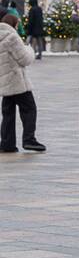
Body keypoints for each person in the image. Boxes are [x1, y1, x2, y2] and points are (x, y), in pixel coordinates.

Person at [0, 13, 44, 153]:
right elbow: (24, 59)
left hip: (4, 83)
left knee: (8, 113)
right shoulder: (12, 37)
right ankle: (29, 139)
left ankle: (7, 143)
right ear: (14, 24)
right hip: (17, 82)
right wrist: (29, 49)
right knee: (29, 109)